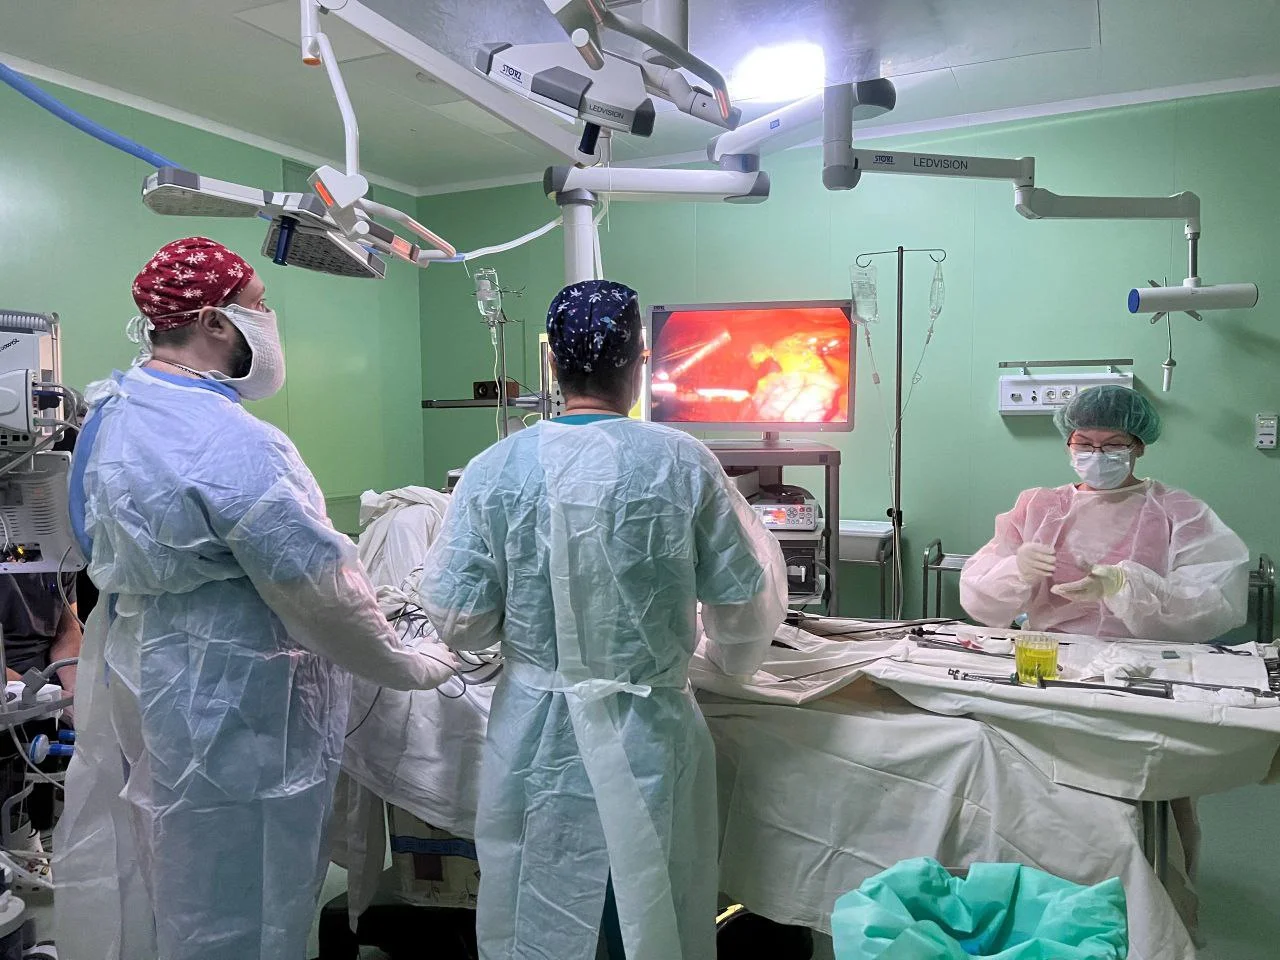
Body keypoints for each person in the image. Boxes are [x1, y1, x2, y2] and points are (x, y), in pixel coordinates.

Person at [53, 238, 457, 960]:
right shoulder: (234, 443)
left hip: (149, 676)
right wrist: (415, 662)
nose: (268, 321)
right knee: (245, 891)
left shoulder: (112, 413)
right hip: (235, 703)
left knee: (170, 868)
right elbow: (324, 595)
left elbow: (93, 546)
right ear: (215, 321)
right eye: (259, 305)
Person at [421, 280, 788, 960]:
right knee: (649, 903)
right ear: (640, 361)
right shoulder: (681, 462)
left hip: (535, 740)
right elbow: (744, 608)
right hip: (651, 733)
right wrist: (722, 662)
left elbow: (461, 620)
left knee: (540, 902)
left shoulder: (494, 469)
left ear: (552, 364)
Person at [961, 384, 1248, 643]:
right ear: (1068, 446)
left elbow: (1213, 605)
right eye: (1084, 443)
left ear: (1139, 447)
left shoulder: (1180, 512)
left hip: (1148, 657)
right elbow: (978, 598)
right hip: (1050, 652)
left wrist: (1125, 585)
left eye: (1114, 444)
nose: (1097, 453)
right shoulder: (1039, 507)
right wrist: (1016, 569)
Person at [0, 573, 80, 704]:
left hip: (47, 677)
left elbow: (66, 632)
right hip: (7, 684)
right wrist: (47, 696)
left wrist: (77, 690)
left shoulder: (61, 564)